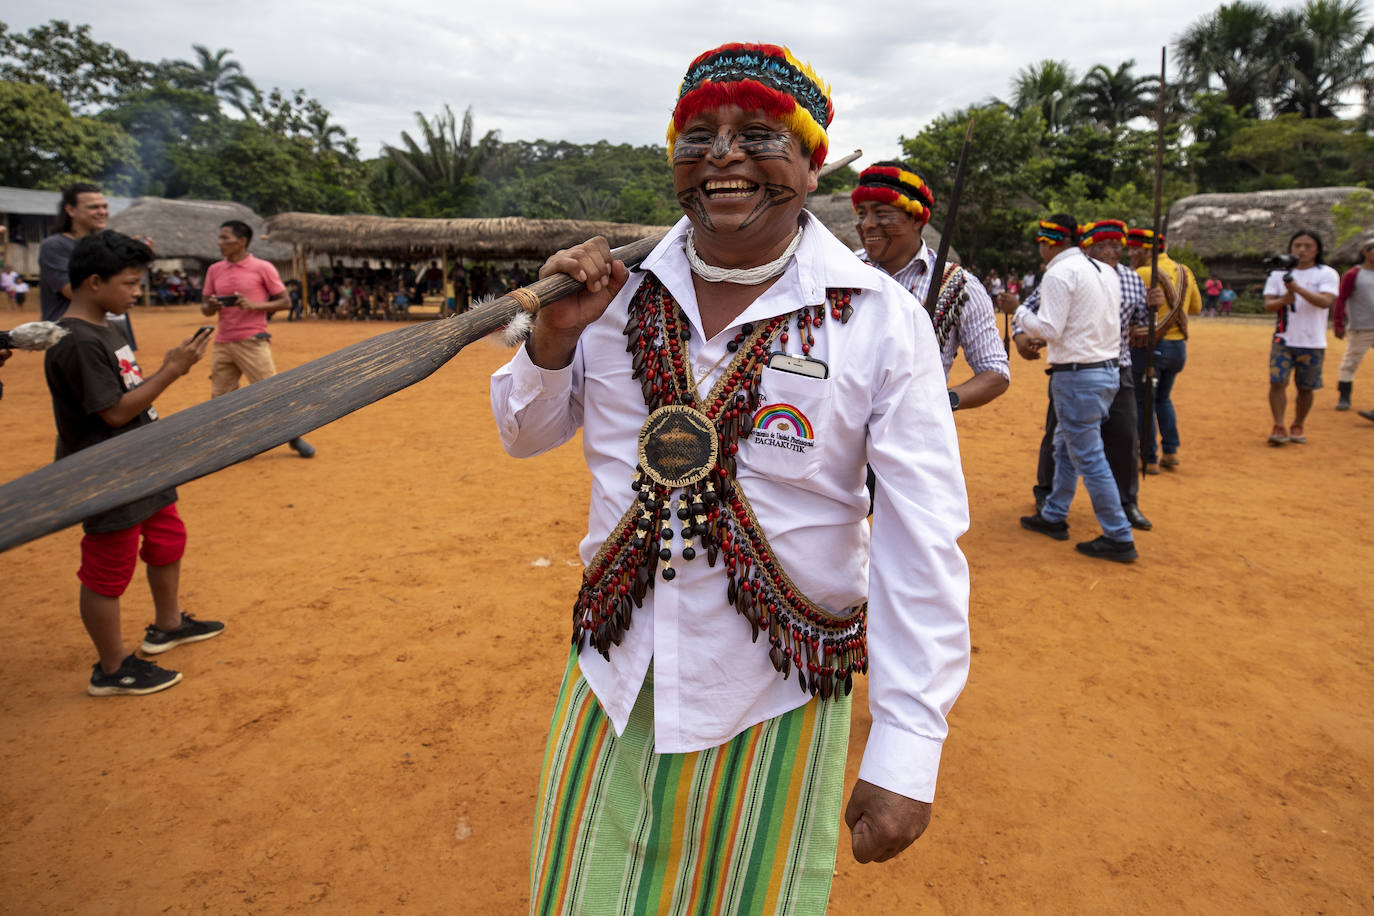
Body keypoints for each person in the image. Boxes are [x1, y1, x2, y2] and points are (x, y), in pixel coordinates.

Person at [490, 42, 970, 911]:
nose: (721, 157)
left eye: (757, 134)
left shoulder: (879, 321)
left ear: (812, 160)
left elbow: (920, 539)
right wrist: (553, 336)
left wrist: (907, 746)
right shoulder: (610, 295)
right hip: (611, 679)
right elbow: (523, 433)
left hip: (770, 699)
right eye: (695, 137)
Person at [43, 230, 224, 696]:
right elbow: (115, 411)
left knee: (167, 538)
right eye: (129, 283)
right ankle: (112, 667)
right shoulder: (76, 341)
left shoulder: (109, 324)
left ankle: (166, 625)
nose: (137, 291)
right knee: (109, 567)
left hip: (144, 457)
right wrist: (173, 369)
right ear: (94, 281)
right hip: (106, 470)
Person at [1000, 215, 1137, 562]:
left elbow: (1049, 328)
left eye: (1041, 243)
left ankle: (1118, 534)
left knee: (1088, 454)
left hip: (1078, 375)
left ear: (1050, 243)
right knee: (1065, 443)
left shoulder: (1060, 272)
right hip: (1106, 371)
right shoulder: (1105, 270)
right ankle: (1054, 514)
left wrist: (1017, 313)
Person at [850, 161, 1010, 409]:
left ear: (916, 218)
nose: (868, 224)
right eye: (862, 214)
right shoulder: (844, 271)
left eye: (881, 213)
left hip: (914, 437)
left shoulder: (960, 286)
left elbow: (995, 373)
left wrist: (940, 402)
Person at [201, 220, 316, 458]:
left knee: (270, 391)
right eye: (220, 238)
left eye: (225, 238)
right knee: (220, 397)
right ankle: (232, 442)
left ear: (241, 241)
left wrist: (254, 305)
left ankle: (293, 436)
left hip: (253, 340)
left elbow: (285, 302)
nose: (219, 242)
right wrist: (210, 305)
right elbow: (205, 308)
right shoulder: (214, 270)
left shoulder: (263, 267)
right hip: (223, 341)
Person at [1126, 227, 1201, 473]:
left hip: (1151, 347)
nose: (1130, 253)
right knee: (1163, 399)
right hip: (1178, 347)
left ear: (1147, 250)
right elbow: (1196, 307)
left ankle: (1148, 457)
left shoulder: (1142, 273)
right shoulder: (1184, 271)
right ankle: (1170, 451)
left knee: (1142, 401)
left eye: (1134, 248)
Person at [1263, 229, 1340, 444]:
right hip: (1283, 338)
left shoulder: (1326, 274)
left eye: (1308, 246)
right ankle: (1279, 425)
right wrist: (1283, 300)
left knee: (1306, 387)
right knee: (1277, 382)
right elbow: (1269, 305)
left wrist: (1297, 289)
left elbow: (1325, 301)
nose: (1302, 250)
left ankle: (1298, 424)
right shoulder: (1277, 274)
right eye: (1297, 246)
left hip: (1312, 341)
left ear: (1317, 250)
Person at [39, 183, 137, 349]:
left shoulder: (107, 244)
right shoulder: (55, 246)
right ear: (70, 210)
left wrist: (135, 261)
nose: (102, 212)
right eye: (94, 207)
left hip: (111, 329)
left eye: (104, 206)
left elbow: (126, 289)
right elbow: (74, 292)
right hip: (75, 339)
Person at [1331, 237, 1374, 411]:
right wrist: (1338, 323)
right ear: (1364, 251)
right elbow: (1341, 299)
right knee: (1350, 361)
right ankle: (1344, 396)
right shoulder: (1353, 274)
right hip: (1361, 326)